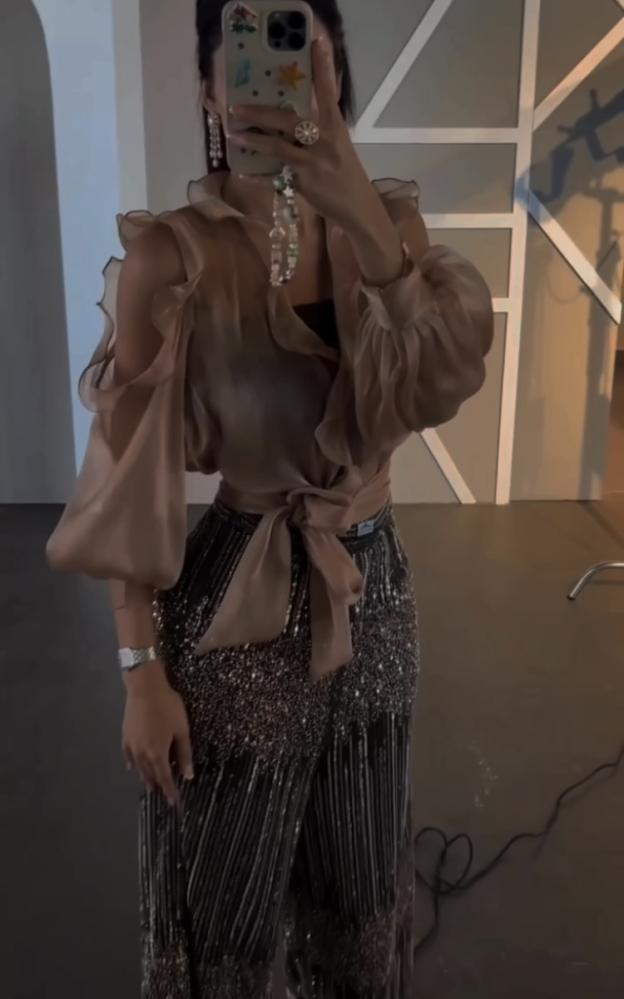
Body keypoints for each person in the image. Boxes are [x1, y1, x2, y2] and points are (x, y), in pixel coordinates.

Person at [46, 1, 494, 995]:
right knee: (225, 907)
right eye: (240, 51)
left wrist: (357, 211)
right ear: (209, 87)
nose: (269, 71)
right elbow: (129, 480)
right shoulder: (172, 259)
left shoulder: (393, 233)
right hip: (235, 611)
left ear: (333, 72)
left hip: (375, 597)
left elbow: (441, 382)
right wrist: (139, 674)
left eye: (297, 45)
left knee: (363, 888)